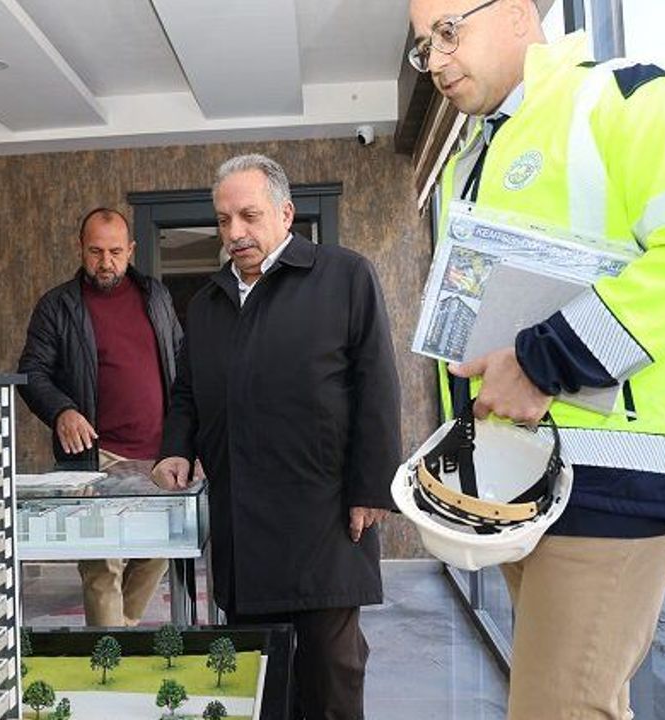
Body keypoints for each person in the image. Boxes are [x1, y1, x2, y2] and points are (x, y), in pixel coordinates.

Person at [406, 0, 665, 717]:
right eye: (423, 47)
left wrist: (546, 361)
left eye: (448, 32)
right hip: (521, 483)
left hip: (615, 486)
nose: (436, 60)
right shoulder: (475, 156)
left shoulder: (627, 97)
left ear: (515, 12)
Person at [152, 154, 401, 720]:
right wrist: (175, 447)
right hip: (242, 524)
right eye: (223, 220)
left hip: (325, 518)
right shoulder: (208, 302)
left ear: (286, 214)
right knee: (259, 681)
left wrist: (372, 489)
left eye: (249, 215)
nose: (234, 232)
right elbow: (188, 389)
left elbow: (378, 388)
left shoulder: (345, 276)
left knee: (331, 678)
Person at [17, 208, 182, 627]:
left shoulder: (156, 296)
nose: (105, 262)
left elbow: (181, 362)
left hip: (159, 454)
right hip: (97, 457)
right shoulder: (57, 306)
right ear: (80, 248)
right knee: (102, 567)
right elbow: (31, 371)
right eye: (95, 251)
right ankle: (112, 648)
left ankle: (116, 637)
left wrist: (187, 436)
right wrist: (62, 410)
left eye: (115, 252)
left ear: (131, 250)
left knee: (158, 551)